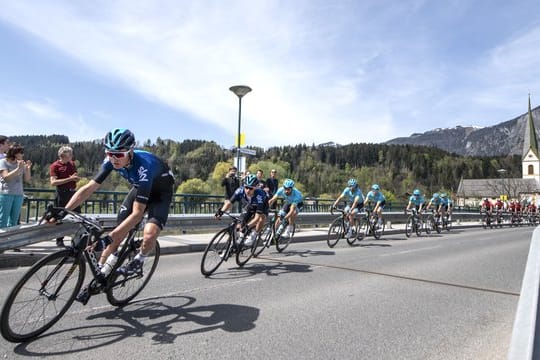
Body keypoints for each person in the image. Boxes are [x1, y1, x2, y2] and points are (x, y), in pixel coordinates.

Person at [52, 128, 175, 304]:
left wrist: (108, 239)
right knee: (118, 234)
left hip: (160, 192)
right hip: (140, 188)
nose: (114, 158)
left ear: (130, 151)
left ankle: (140, 258)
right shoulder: (110, 161)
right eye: (110, 153)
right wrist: (62, 211)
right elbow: (88, 188)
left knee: (148, 234)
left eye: (119, 154)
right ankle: (99, 277)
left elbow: (137, 214)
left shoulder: (143, 167)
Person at [215, 173, 268, 246]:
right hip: (250, 204)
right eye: (246, 187)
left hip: (263, 204)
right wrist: (221, 212)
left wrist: (247, 226)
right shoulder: (240, 190)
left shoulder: (259, 196)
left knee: (261, 218)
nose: (248, 190)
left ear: (255, 187)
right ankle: (238, 241)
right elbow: (229, 203)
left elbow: (257, 218)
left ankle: (254, 235)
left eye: (251, 188)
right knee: (240, 223)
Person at [50, 146, 81, 247]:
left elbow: (74, 177)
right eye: (70, 154)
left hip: (73, 193)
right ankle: (59, 239)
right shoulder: (55, 166)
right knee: (61, 217)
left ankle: (76, 240)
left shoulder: (72, 164)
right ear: (63, 155)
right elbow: (53, 182)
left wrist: (75, 179)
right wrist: (69, 179)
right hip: (61, 193)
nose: (72, 156)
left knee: (77, 216)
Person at [0, 144, 32, 229]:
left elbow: (27, 180)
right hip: (6, 194)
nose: (23, 155)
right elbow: (6, 178)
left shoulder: (21, 163)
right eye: (21, 152)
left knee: (14, 222)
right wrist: (18, 168)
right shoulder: (3, 162)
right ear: (14, 153)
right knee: (3, 220)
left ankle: (11, 241)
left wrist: (28, 169)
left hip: (19, 194)